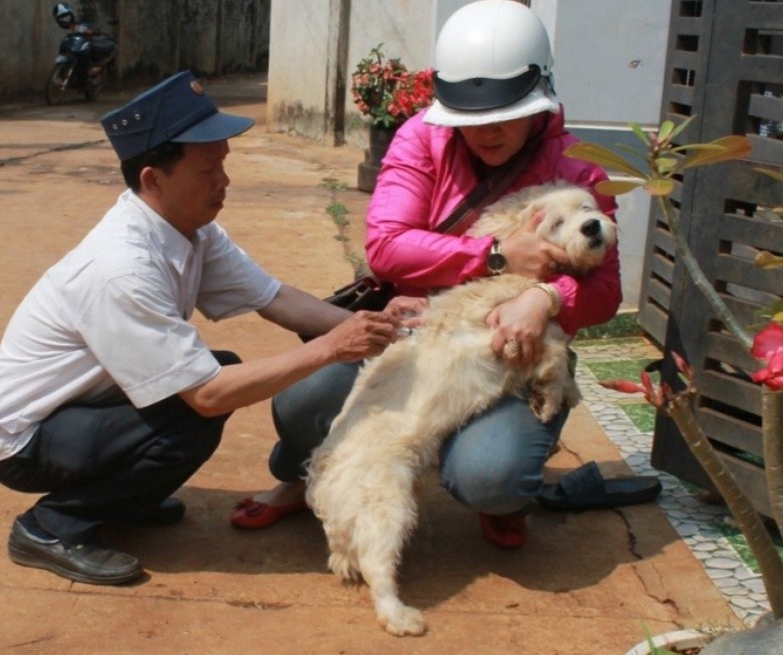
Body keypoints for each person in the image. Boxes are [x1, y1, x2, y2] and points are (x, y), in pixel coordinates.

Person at [233, 0, 660, 548]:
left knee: (492, 477)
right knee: (302, 400)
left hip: (509, 354)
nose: (486, 131)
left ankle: (501, 488)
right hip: (413, 332)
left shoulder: (576, 170)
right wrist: (496, 257)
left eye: (505, 114)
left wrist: (544, 300)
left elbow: (605, 292)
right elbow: (387, 247)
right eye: (471, 119)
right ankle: (300, 477)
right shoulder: (422, 138)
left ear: (539, 98)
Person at [0, 70, 405, 586]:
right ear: (153, 179)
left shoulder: (191, 230)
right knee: (198, 411)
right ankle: (51, 526)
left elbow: (275, 299)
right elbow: (205, 397)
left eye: (223, 164)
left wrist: (373, 327)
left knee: (217, 371)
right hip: (26, 438)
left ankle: (125, 498)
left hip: (85, 406)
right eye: (207, 170)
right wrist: (331, 349)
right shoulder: (120, 268)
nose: (223, 181)